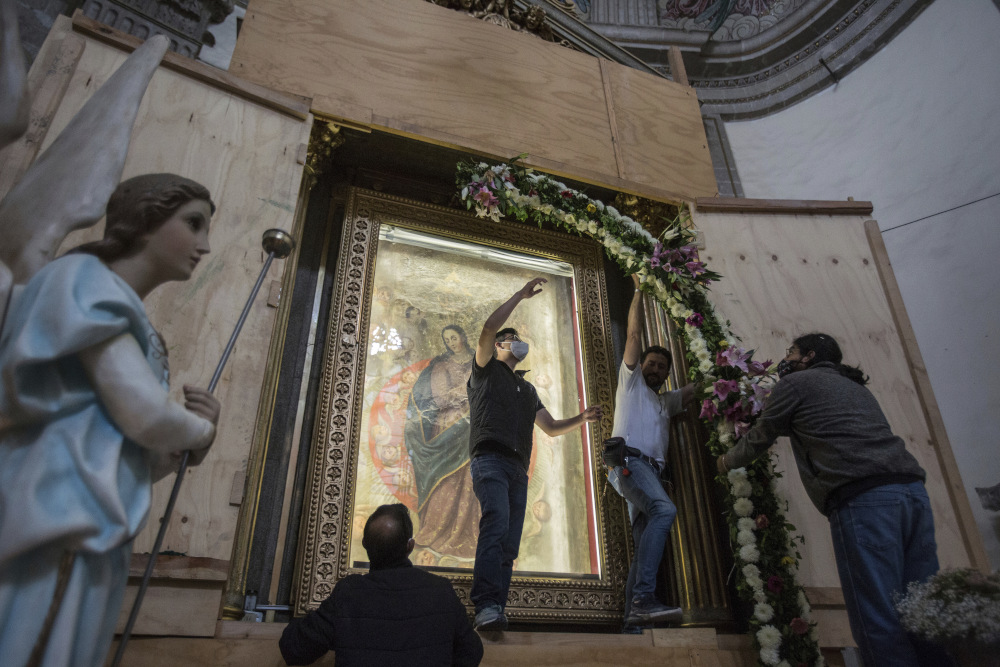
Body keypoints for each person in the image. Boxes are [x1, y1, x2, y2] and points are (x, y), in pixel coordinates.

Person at [0, 174, 221, 667]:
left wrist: (185, 448)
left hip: (100, 522)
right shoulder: (81, 280)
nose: (204, 246)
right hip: (52, 512)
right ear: (146, 219)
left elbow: (133, 454)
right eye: (193, 223)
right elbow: (141, 412)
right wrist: (199, 431)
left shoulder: (141, 328)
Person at [716, 333, 948, 667]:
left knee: (877, 614)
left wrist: (725, 461)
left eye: (791, 352)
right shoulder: (854, 387)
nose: (786, 358)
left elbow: (762, 435)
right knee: (923, 607)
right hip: (911, 491)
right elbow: (814, 424)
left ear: (809, 356)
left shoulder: (796, 385)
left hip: (863, 497)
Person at [467, 277, 602, 631]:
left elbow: (551, 427)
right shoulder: (484, 371)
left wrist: (582, 419)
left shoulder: (526, 389)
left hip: (517, 468)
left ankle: (496, 606)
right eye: (511, 340)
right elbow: (488, 327)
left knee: (510, 541)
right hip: (489, 459)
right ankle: (483, 604)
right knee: (495, 520)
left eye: (519, 340)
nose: (518, 344)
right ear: (498, 347)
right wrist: (519, 296)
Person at [278, 503, 483, 667]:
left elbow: (295, 649)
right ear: (410, 546)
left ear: (365, 544)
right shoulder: (440, 590)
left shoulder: (349, 593)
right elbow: (472, 652)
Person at [607, 274, 696, 630]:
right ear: (640, 365)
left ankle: (633, 623)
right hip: (629, 462)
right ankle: (644, 599)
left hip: (650, 473)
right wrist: (639, 290)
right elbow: (632, 335)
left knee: (646, 541)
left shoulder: (666, 402)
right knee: (664, 509)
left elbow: (699, 388)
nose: (655, 369)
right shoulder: (630, 384)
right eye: (651, 363)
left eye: (662, 367)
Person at [405, 324, 479, 558]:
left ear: (463, 337)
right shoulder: (441, 366)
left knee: (470, 479)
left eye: (454, 337)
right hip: (450, 427)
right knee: (446, 479)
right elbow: (440, 398)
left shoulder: (480, 362)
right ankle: (435, 529)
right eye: (447, 339)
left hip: (474, 426)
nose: (451, 342)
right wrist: (470, 392)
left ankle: (467, 531)